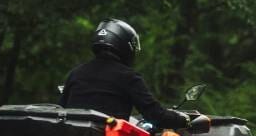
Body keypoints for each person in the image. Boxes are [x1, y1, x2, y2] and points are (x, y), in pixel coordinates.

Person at [59, 19, 190, 129]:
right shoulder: (128, 76)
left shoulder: (76, 73)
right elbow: (156, 115)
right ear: (125, 45)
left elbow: (61, 110)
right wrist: (183, 120)